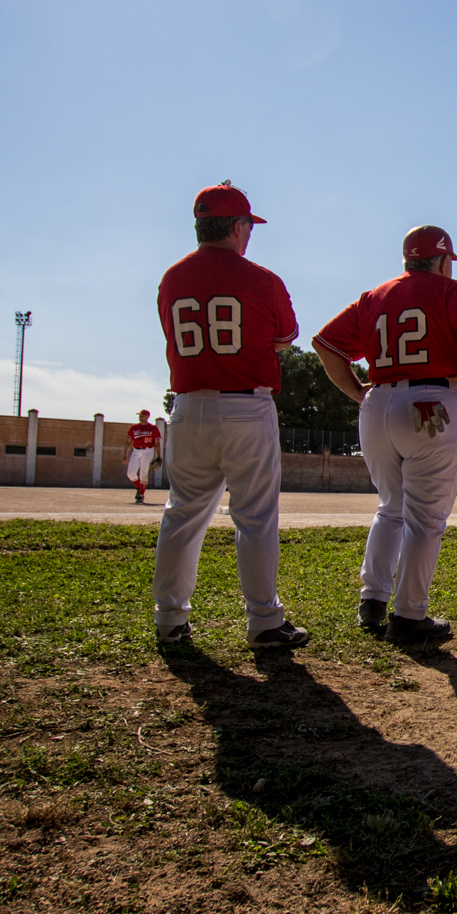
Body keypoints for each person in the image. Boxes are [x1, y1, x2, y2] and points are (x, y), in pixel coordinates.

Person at [313, 225, 457, 645]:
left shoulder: (374, 295)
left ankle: (372, 599)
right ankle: (410, 616)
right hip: (431, 401)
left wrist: (358, 391)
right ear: (443, 259)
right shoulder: (449, 289)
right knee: (426, 518)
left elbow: (325, 344)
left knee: (390, 507)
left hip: (376, 404)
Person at [152, 181, 309, 651]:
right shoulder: (262, 279)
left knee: (182, 513)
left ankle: (169, 618)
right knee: (255, 517)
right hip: (246, 404)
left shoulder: (172, 277)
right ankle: (264, 621)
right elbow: (286, 336)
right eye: (248, 226)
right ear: (238, 226)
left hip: (187, 406)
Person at [124, 409, 163, 504]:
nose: (140, 416)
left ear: (147, 417)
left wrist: (158, 456)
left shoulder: (153, 428)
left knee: (143, 473)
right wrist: (125, 454)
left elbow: (157, 443)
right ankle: (139, 487)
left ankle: (141, 494)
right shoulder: (134, 427)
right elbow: (129, 442)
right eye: (139, 415)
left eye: (142, 415)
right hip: (136, 450)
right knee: (130, 473)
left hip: (148, 451)